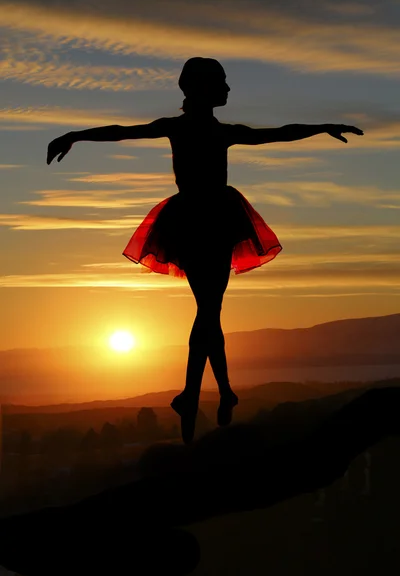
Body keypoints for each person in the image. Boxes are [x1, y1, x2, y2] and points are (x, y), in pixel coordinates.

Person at [47, 57, 364, 444]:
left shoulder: (206, 130)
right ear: (202, 88)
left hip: (199, 221)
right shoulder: (197, 129)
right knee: (210, 310)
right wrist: (75, 135)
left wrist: (321, 127)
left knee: (209, 310)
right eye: (223, 83)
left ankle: (206, 395)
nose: (229, 89)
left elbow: (278, 133)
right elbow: (122, 131)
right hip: (206, 222)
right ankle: (207, 394)